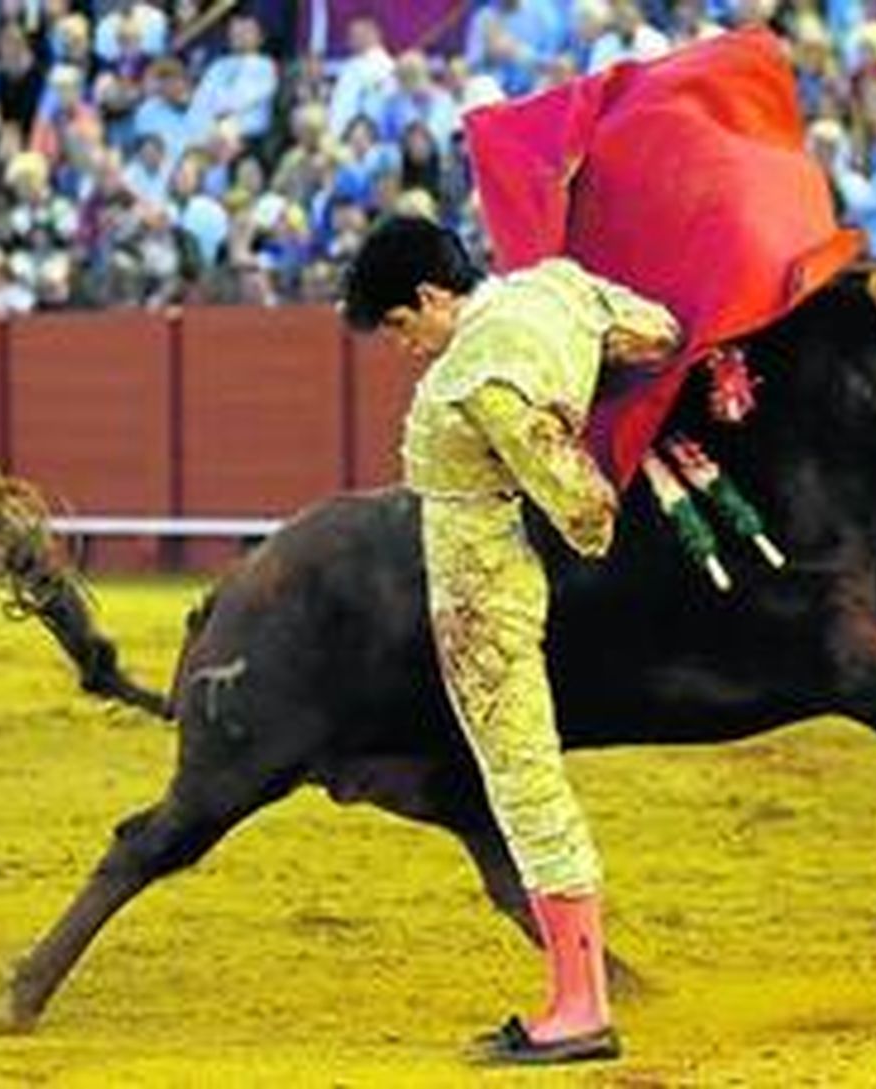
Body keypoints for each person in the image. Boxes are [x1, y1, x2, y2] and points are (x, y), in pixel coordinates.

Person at [340, 214, 680, 1065]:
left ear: (428, 296)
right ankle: (578, 995)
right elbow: (658, 334)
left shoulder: (478, 375)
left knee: (525, 784)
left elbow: (587, 511)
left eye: (399, 325)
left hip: (485, 603)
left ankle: (580, 1006)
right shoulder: (555, 285)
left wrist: (542, 447)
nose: (404, 346)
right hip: (497, 581)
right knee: (525, 781)